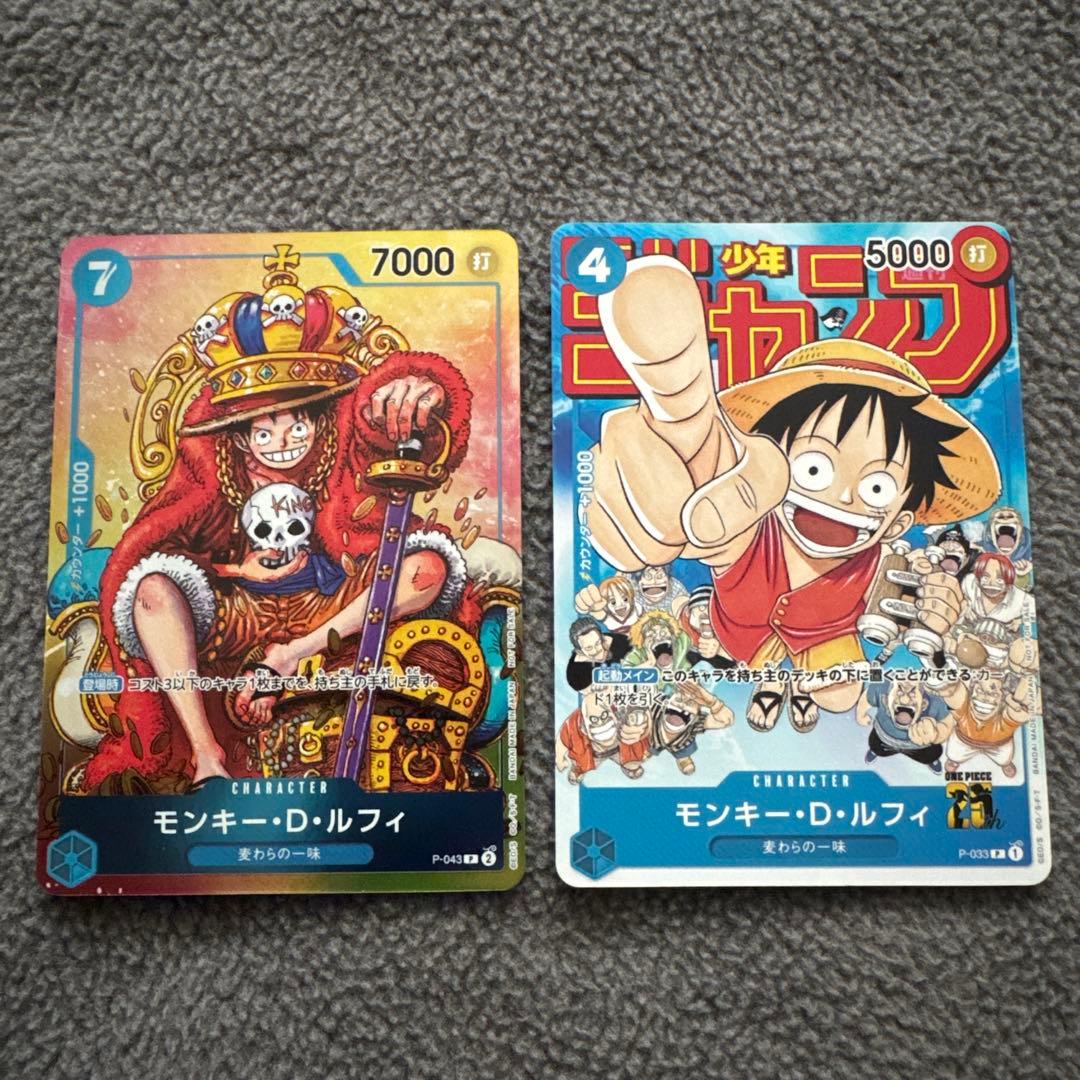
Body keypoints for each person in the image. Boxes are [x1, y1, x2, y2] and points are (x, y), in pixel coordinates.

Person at [84, 255, 475, 791]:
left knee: (428, 566)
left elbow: (397, 424)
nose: (284, 442)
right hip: (238, 610)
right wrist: (235, 570)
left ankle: (292, 655)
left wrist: (419, 389)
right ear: (243, 437)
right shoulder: (211, 469)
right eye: (265, 431)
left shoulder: (343, 448)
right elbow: (158, 545)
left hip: (333, 603)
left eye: (298, 426)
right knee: (151, 590)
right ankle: (205, 754)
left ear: (319, 421)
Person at [583, 255, 1000, 733]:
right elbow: (710, 520)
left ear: (900, 521)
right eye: (814, 467)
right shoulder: (746, 528)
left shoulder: (884, 563)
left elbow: (916, 599)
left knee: (840, 693)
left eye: (877, 486)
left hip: (828, 637)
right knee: (762, 664)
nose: (845, 497)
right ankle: (774, 684)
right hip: (741, 638)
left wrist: (940, 604)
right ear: (770, 462)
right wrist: (677, 479)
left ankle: (797, 686)